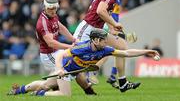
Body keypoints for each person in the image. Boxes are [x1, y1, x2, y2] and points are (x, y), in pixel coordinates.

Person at [30, 28, 159, 96]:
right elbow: (60, 55)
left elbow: (126, 53)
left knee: (46, 84)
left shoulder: (105, 49)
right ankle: (34, 92)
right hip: (66, 69)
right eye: (103, 40)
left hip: (76, 71)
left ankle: (19, 90)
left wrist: (147, 51)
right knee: (56, 91)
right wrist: (59, 69)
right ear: (96, 40)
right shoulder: (82, 48)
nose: (106, 41)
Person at [73, 0, 139, 91]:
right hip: (87, 29)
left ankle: (122, 82)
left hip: (97, 30)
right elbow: (100, 11)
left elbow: (105, 14)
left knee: (121, 46)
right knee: (73, 58)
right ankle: (55, 82)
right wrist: (115, 23)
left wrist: (111, 27)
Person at [7, 0, 78, 95]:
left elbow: (61, 27)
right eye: (50, 8)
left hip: (56, 52)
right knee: (49, 84)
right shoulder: (43, 23)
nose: (53, 11)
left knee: (50, 83)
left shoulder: (53, 15)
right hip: (49, 55)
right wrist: (70, 46)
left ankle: (21, 90)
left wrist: (73, 39)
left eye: (55, 8)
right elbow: (51, 43)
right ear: (45, 7)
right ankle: (31, 91)